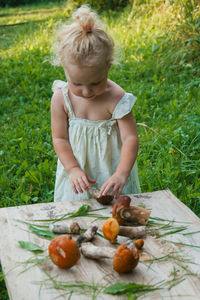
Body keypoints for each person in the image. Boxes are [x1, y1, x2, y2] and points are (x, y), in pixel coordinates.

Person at [51, 5, 140, 202]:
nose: (86, 91)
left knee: (116, 216)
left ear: (108, 67)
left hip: (112, 172)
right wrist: (73, 169)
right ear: (64, 68)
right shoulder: (61, 98)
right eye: (77, 83)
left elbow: (130, 138)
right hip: (78, 175)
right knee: (77, 215)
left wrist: (121, 174)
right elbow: (60, 139)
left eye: (95, 83)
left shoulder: (116, 97)